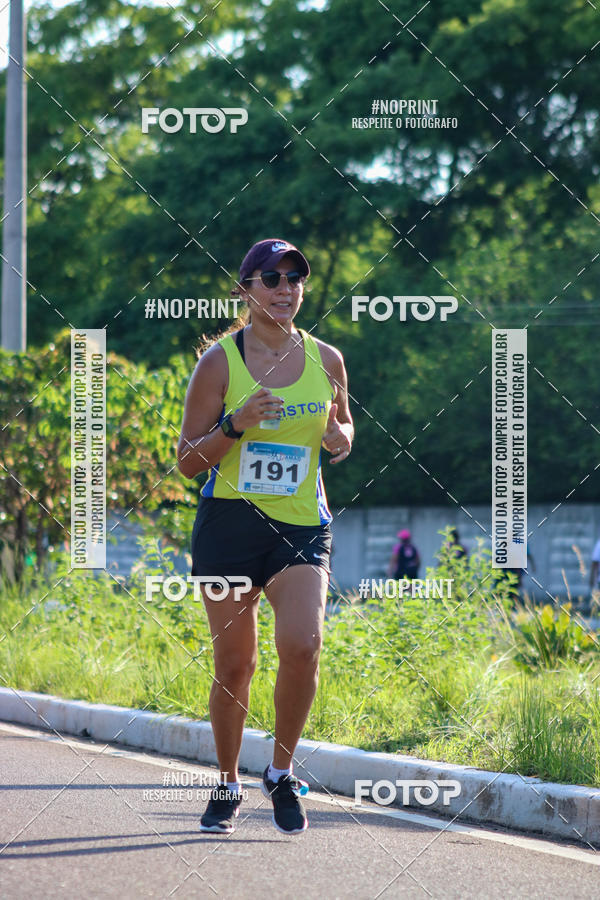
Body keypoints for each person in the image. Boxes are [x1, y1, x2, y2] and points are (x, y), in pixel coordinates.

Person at [177, 238, 354, 835]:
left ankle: (280, 773)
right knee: (235, 665)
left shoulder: (327, 360)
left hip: (302, 525)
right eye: (272, 278)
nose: (285, 288)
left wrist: (338, 437)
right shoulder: (220, 363)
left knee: (303, 645)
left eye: (295, 278)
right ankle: (225, 780)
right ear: (246, 289)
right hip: (229, 525)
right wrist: (236, 423)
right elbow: (187, 461)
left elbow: (342, 431)